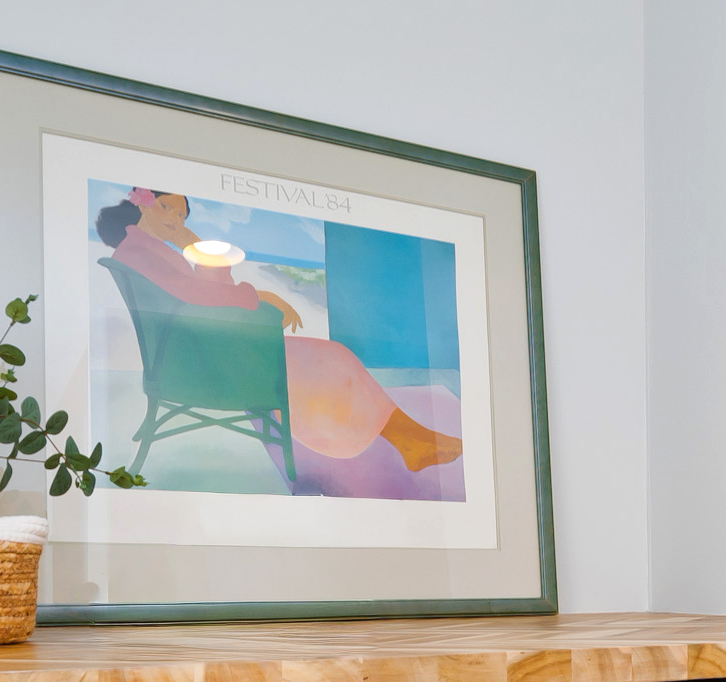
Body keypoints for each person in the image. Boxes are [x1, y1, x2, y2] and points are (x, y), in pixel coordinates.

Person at [94, 190, 464, 475]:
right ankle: (410, 441)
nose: (175, 218)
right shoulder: (141, 251)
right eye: (167, 209)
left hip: (200, 356)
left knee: (331, 359)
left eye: (181, 213)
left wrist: (200, 254)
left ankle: (409, 439)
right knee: (332, 359)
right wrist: (257, 295)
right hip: (205, 366)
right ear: (143, 203)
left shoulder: (148, 249)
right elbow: (196, 298)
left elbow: (205, 298)